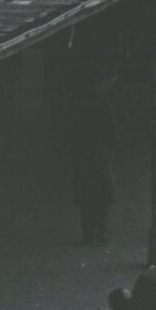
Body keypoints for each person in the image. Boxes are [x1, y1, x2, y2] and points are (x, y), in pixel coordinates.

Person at [67, 79, 117, 247]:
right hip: (100, 154)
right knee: (102, 194)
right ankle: (101, 231)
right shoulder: (105, 105)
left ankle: (88, 234)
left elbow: (71, 131)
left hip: (83, 154)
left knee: (85, 196)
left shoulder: (78, 105)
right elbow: (112, 131)